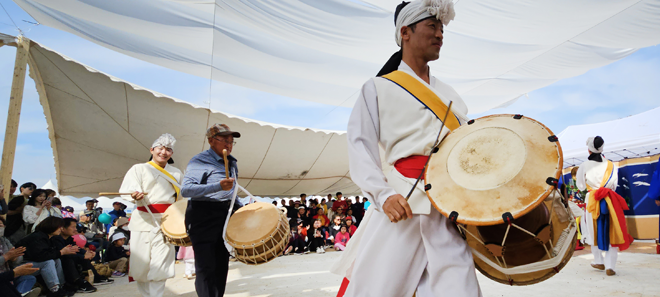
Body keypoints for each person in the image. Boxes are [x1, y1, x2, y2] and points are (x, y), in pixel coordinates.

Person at [335, 1, 482, 296]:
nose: (440, 34)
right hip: (402, 203)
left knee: (460, 289)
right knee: (378, 289)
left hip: (446, 205)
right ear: (405, 32)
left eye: (442, 28)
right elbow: (360, 146)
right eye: (432, 26)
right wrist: (383, 194)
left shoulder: (451, 95)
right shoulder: (376, 87)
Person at [119, 133, 183, 297]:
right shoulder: (139, 168)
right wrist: (134, 195)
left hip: (167, 222)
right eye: (160, 148)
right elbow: (128, 189)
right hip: (143, 220)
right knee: (141, 264)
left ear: (172, 153)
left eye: (168, 149)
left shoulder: (176, 173)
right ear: (152, 150)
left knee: (161, 264)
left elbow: (181, 199)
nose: (164, 152)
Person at [182, 124, 242, 297]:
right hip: (203, 215)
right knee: (206, 266)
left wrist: (240, 208)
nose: (228, 145)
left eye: (231, 142)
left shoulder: (232, 162)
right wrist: (217, 186)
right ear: (211, 141)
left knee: (221, 265)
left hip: (224, 215)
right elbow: (186, 190)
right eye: (224, 140)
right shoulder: (199, 161)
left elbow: (232, 191)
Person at [577, 136, 633, 276]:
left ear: (589, 150)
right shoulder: (612, 165)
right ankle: (610, 266)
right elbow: (614, 185)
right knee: (611, 230)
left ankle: (599, 261)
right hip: (609, 199)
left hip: (593, 199)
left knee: (593, 230)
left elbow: (581, 186)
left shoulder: (584, 165)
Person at [16, 217, 79, 297]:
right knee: (48, 262)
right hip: (21, 265)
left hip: (32, 263)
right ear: (52, 226)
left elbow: (50, 253)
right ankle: (54, 290)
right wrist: (61, 252)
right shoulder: (37, 237)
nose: (61, 229)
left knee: (56, 260)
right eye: (59, 227)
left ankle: (61, 286)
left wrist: (62, 252)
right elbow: (41, 256)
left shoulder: (49, 237)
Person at [52, 218, 113, 288]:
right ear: (63, 229)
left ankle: (96, 277)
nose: (75, 229)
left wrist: (88, 253)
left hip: (70, 258)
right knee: (68, 260)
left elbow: (78, 249)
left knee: (83, 258)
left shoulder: (69, 239)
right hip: (60, 262)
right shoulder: (56, 240)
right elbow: (64, 255)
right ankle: (77, 282)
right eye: (73, 227)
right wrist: (83, 256)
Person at [0, 217, 40, 296]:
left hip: (8, 273)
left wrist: (14, 258)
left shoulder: (4, 240)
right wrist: (6, 257)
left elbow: (17, 258)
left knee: (30, 278)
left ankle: (21, 293)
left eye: (1, 225)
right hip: (3, 277)